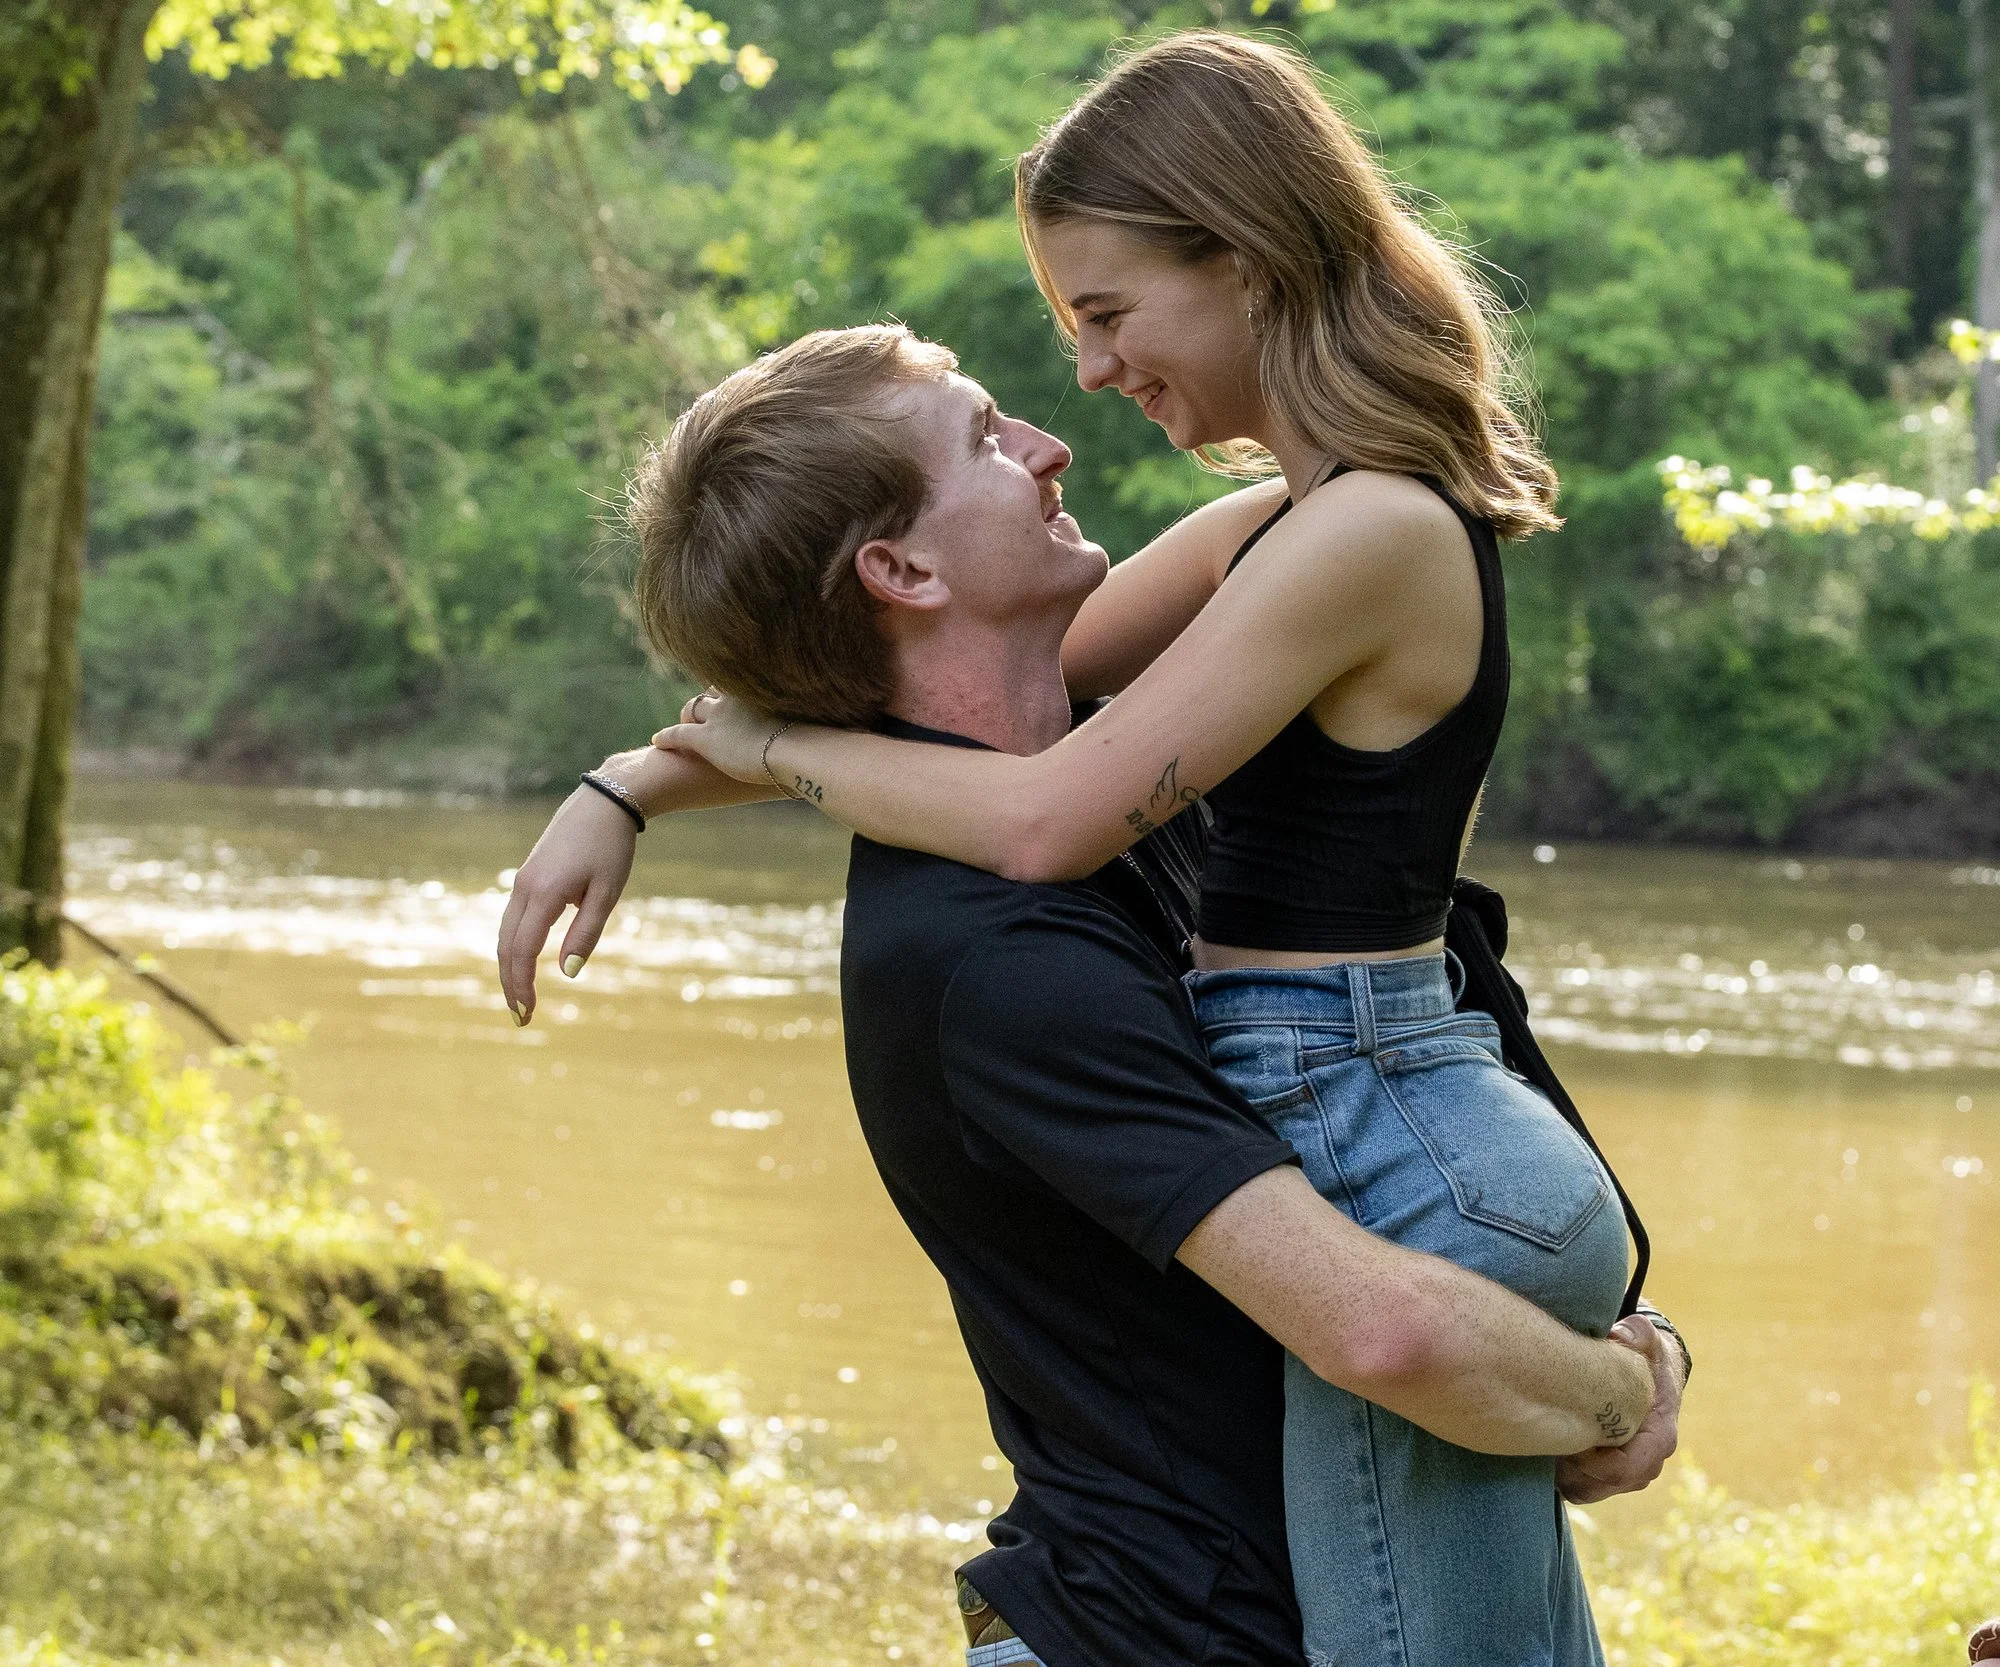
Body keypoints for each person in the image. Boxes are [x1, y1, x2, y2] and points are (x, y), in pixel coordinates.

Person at [647, 32, 1648, 1667]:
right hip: (1392, 1151)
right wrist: (639, 781)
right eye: (1008, 412)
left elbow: (1044, 811)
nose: (1078, 398)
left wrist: (760, 747)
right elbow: (1023, 744)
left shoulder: (1344, 537)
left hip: (1392, 1128)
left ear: (1242, 262)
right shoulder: (1277, 542)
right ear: (900, 568)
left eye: (1104, 317)